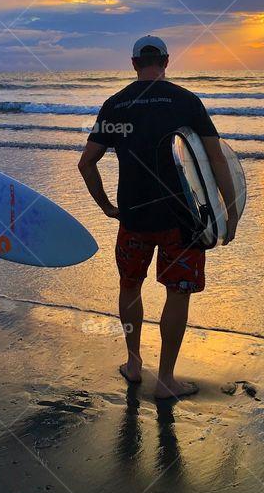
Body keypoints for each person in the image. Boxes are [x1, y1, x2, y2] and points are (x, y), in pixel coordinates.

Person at [78, 36, 238, 399]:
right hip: (183, 222)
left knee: (130, 286)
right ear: (166, 60)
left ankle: (134, 363)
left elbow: (86, 162)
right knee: (178, 293)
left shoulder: (116, 104)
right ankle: (166, 379)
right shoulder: (186, 101)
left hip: (133, 217)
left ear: (134, 63)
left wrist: (106, 205)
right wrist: (230, 209)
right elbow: (215, 158)